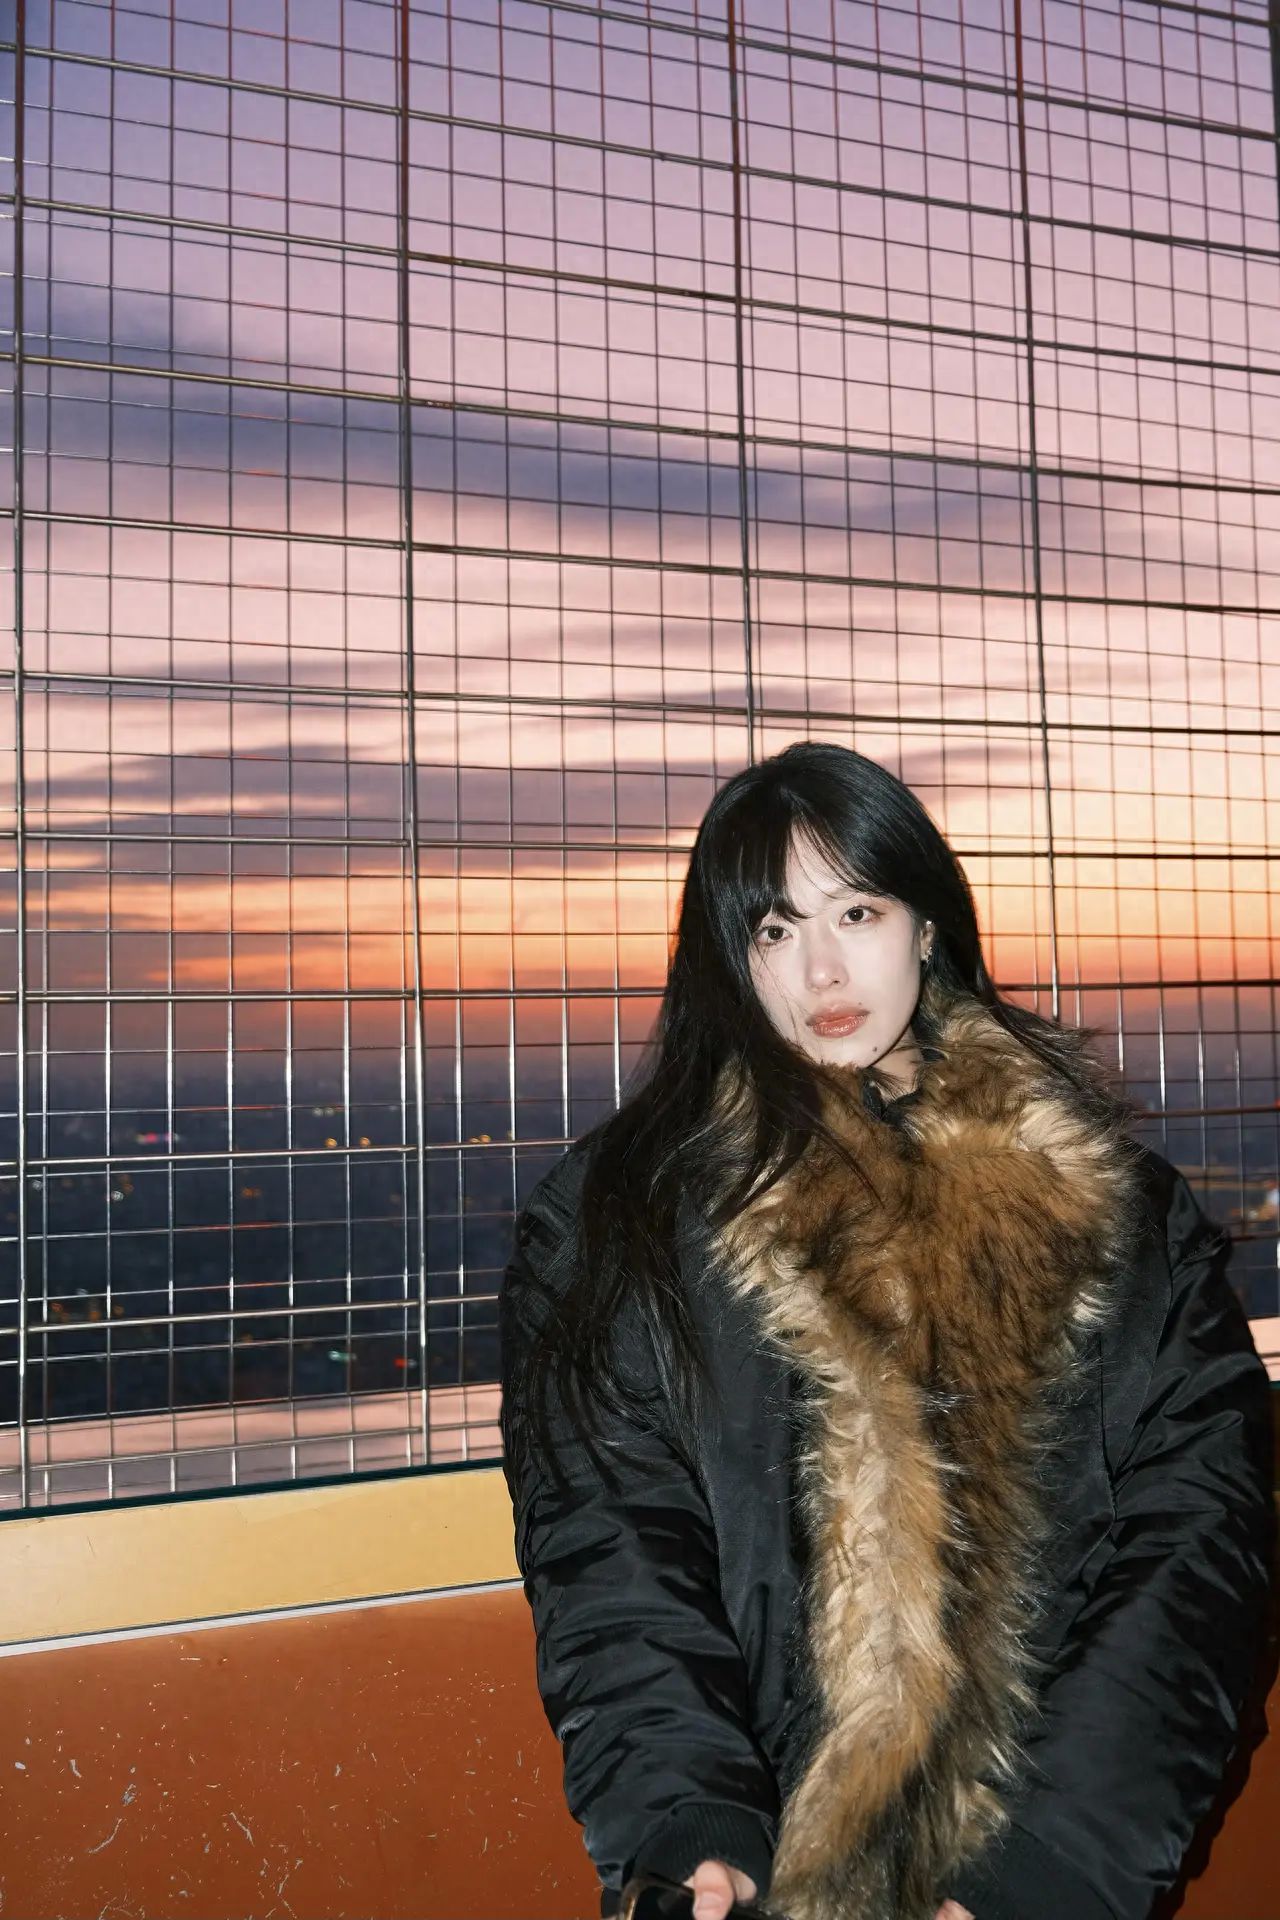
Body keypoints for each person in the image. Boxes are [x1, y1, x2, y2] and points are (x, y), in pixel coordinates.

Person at [499, 741, 1275, 1920]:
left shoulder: (1121, 1211)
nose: (820, 967)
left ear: (924, 923)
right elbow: (610, 1552)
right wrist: (688, 1820)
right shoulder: (621, 1223)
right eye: (771, 930)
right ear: (728, 962)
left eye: (855, 909)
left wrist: (1042, 1872)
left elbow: (1197, 1540)